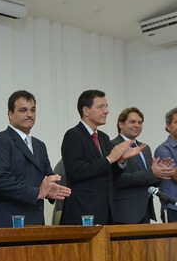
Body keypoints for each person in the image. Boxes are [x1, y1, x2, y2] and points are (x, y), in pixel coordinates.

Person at [0, 90, 70, 227]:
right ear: (10, 114)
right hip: (7, 222)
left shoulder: (39, 145)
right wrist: (37, 192)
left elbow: (46, 177)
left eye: (33, 110)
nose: (30, 114)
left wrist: (51, 188)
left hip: (35, 221)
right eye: (23, 110)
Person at [59, 90, 144, 225]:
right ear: (86, 111)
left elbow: (110, 174)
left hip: (105, 211)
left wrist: (121, 160)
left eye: (106, 106)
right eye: (100, 107)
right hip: (82, 211)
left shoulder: (103, 138)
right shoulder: (73, 135)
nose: (106, 111)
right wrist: (109, 159)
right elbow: (76, 171)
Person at [110, 107, 175, 224]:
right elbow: (117, 179)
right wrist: (151, 173)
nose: (137, 125)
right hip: (125, 212)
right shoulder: (113, 146)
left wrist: (160, 173)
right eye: (132, 122)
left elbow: (148, 179)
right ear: (121, 124)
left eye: (140, 122)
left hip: (145, 211)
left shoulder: (145, 148)